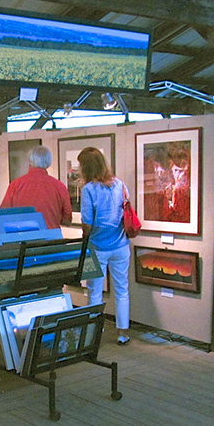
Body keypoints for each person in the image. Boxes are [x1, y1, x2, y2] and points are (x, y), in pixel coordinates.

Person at [77, 147, 131, 345]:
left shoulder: (89, 189)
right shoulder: (120, 184)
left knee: (95, 291)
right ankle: (123, 333)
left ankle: (92, 333)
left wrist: (85, 236)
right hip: (121, 244)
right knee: (122, 289)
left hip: (98, 247)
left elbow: (87, 223)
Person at [0, 145, 72, 229]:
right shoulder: (59, 186)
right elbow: (67, 220)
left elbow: (3, 214)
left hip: (23, 237)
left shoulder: (16, 185)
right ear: (49, 162)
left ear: (30, 161)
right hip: (51, 238)